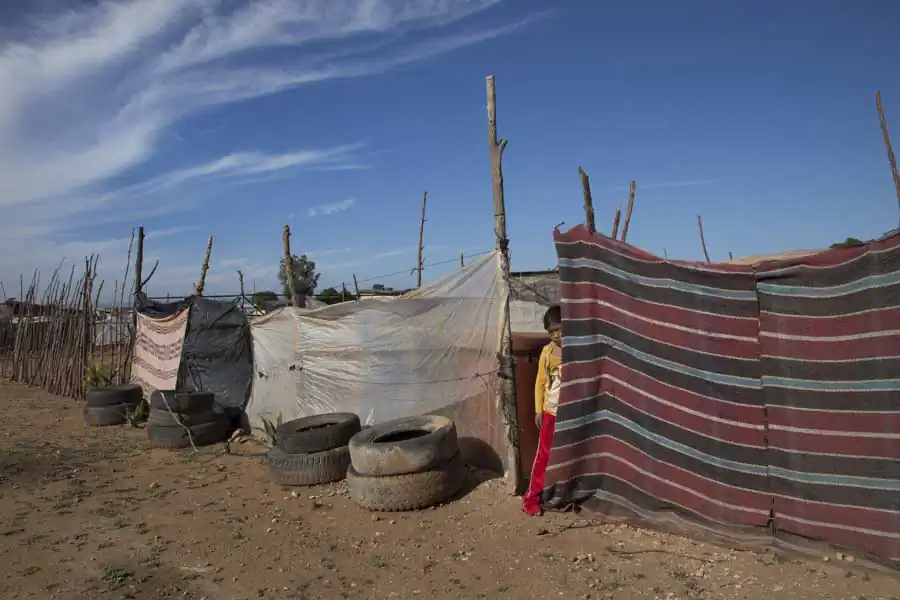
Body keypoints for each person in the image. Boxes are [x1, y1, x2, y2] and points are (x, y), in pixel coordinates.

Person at [522, 304, 562, 516]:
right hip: (551, 412)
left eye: (560, 329)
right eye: (551, 331)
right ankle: (531, 499)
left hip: (571, 415)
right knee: (543, 457)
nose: (556, 335)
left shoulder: (576, 350)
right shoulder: (547, 353)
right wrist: (539, 410)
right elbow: (540, 383)